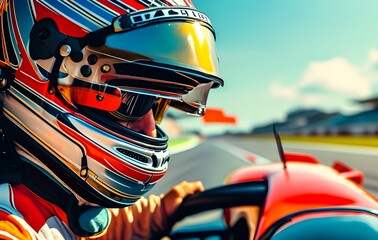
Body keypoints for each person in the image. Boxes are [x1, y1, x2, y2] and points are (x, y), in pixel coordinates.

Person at [0, 0, 223, 239]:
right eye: (132, 101)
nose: (150, 130)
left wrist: (161, 212)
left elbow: (92, 228)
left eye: (157, 106)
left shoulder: (58, 195)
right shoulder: (11, 228)